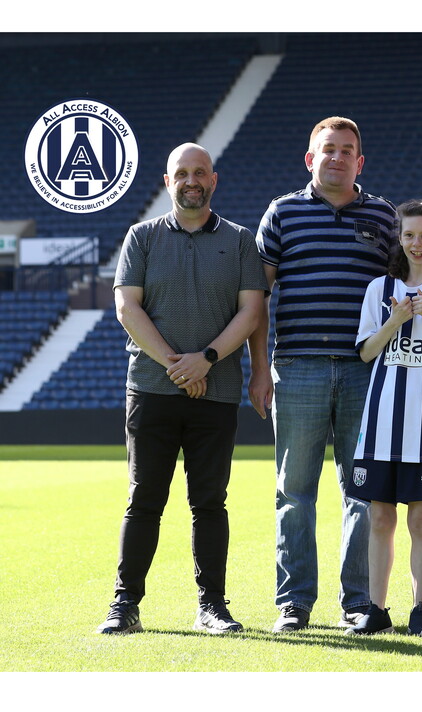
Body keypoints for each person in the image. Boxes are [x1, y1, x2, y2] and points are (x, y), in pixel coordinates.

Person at [97, 143, 268, 635]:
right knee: (144, 498)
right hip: (152, 388)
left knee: (209, 502)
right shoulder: (142, 237)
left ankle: (212, 606)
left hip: (216, 392)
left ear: (213, 180)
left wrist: (206, 361)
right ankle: (124, 605)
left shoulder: (238, 241)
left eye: (200, 172)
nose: (191, 180)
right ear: (168, 181)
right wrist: (178, 366)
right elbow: (128, 308)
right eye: (181, 174)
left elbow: (251, 311)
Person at [249, 117, 399, 633]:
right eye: (327, 149)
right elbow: (257, 298)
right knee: (294, 492)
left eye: (347, 150)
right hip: (298, 367)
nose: (337, 157)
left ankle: (358, 602)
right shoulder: (283, 212)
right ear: (310, 159)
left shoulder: (382, 216)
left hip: (365, 371)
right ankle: (294, 603)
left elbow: (403, 288)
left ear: (360, 160)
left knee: (361, 489)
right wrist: (259, 368)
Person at [344, 202, 422, 637]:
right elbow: (365, 351)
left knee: (419, 520)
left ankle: (418, 609)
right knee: (380, 518)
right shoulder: (379, 288)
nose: (416, 244)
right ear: (400, 238)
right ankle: (376, 610)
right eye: (408, 235)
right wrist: (396, 319)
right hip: (379, 429)